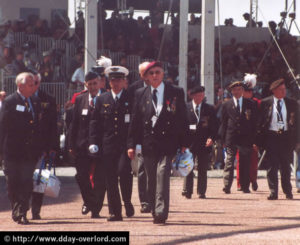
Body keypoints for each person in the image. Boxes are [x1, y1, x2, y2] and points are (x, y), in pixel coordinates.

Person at [127, 61, 189, 224]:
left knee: (162, 174)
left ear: (163, 74)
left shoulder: (175, 92)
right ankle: (155, 208)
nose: (154, 75)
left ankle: (161, 211)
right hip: (148, 143)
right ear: (146, 76)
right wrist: (131, 144)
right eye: (151, 73)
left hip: (168, 142)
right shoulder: (140, 93)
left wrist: (184, 142)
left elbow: (182, 117)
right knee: (151, 179)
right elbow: (136, 120)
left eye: (158, 72)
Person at [89, 66, 134, 221]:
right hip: (107, 145)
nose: (116, 83)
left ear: (124, 81)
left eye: (119, 80)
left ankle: (127, 201)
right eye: (113, 80)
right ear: (109, 82)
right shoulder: (102, 99)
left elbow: (135, 124)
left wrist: (133, 144)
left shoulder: (130, 97)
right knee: (110, 178)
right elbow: (95, 123)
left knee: (123, 172)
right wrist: (93, 142)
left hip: (125, 145)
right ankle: (115, 212)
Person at [0, 72, 42, 224]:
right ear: (20, 86)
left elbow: (37, 127)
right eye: (30, 85)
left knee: (26, 182)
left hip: (29, 152)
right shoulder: (10, 102)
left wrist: (40, 148)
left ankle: (22, 211)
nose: (33, 88)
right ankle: (17, 208)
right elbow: (2, 127)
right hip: (12, 151)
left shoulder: (35, 101)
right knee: (13, 183)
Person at [69, 71, 104, 218]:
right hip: (82, 144)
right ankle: (89, 201)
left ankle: (96, 209)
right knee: (81, 176)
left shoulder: (107, 97)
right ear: (85, 85)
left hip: (101, 145)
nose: (93, 86)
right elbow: (74, 124)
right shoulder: (80, 99)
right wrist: (71, 145)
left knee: (100, 178)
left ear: (100, 82)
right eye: (90, 84)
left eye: (95, 83)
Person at [257, 79, 298, 200]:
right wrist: (258, 141)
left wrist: (297, 140)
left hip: (286, 137)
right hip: (271, 137)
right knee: (271, 166)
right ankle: (273, 191)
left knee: (285, 166)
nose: (284, 91)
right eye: (281, 90)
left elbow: (297, 123)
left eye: (285, 89)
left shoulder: (292, 103)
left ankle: (288, 191)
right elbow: (259, 123)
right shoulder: (265, 103)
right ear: (274, 91)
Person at [29, 70, 59, 220]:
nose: (32, 86)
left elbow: (54, 125)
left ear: (39, 83)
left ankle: (35, 210)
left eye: (35, 83)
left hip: (41, 148)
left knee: (39, 180)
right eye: (30, 83)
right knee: (22, 179)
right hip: (23, 148)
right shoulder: (18, 99)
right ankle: (21, 208)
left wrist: (53, 147)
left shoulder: (48, 99)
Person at [219, 81, 258, 194]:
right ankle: (227, 185)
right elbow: (224, 123)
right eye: (235, 90)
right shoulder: (226, 104)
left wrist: (254, 139)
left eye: (239, 89)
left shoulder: (250, 104)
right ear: (231, 91)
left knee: (245, 162)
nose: (237, 92)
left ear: (243, 91)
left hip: (246, 138)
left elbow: (254, 123)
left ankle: (245, 186)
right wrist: (222, 139)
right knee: (229, 162)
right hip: (231, 137)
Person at [182, 85, 218, 199]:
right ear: (193, 96)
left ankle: (201, 191)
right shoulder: (185, 108)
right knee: (188, 167)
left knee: (203, 168)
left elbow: (215, 126)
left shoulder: (209, 108)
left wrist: (212, 138)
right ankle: (187, 190)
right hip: (189, 142)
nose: (200, 97)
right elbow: (181, 126)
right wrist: (182, 143)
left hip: (204, 142)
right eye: (198, 95)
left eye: (202, 95)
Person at [127, 61, 151, 213]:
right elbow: (132, 117)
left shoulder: (164, 87)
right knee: (142, 169)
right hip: (142, 135)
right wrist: (132, 142)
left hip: (158, 136)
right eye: (145, 72)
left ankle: (155, 198)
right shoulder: (134, 89)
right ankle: (144, 201)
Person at [236, 74, 260, 191]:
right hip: (240, 137)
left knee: (253, 161)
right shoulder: (238, 102)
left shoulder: (256, 103)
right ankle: (240, 182)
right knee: (240, 161)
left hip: (252, 136)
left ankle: (253, 179)